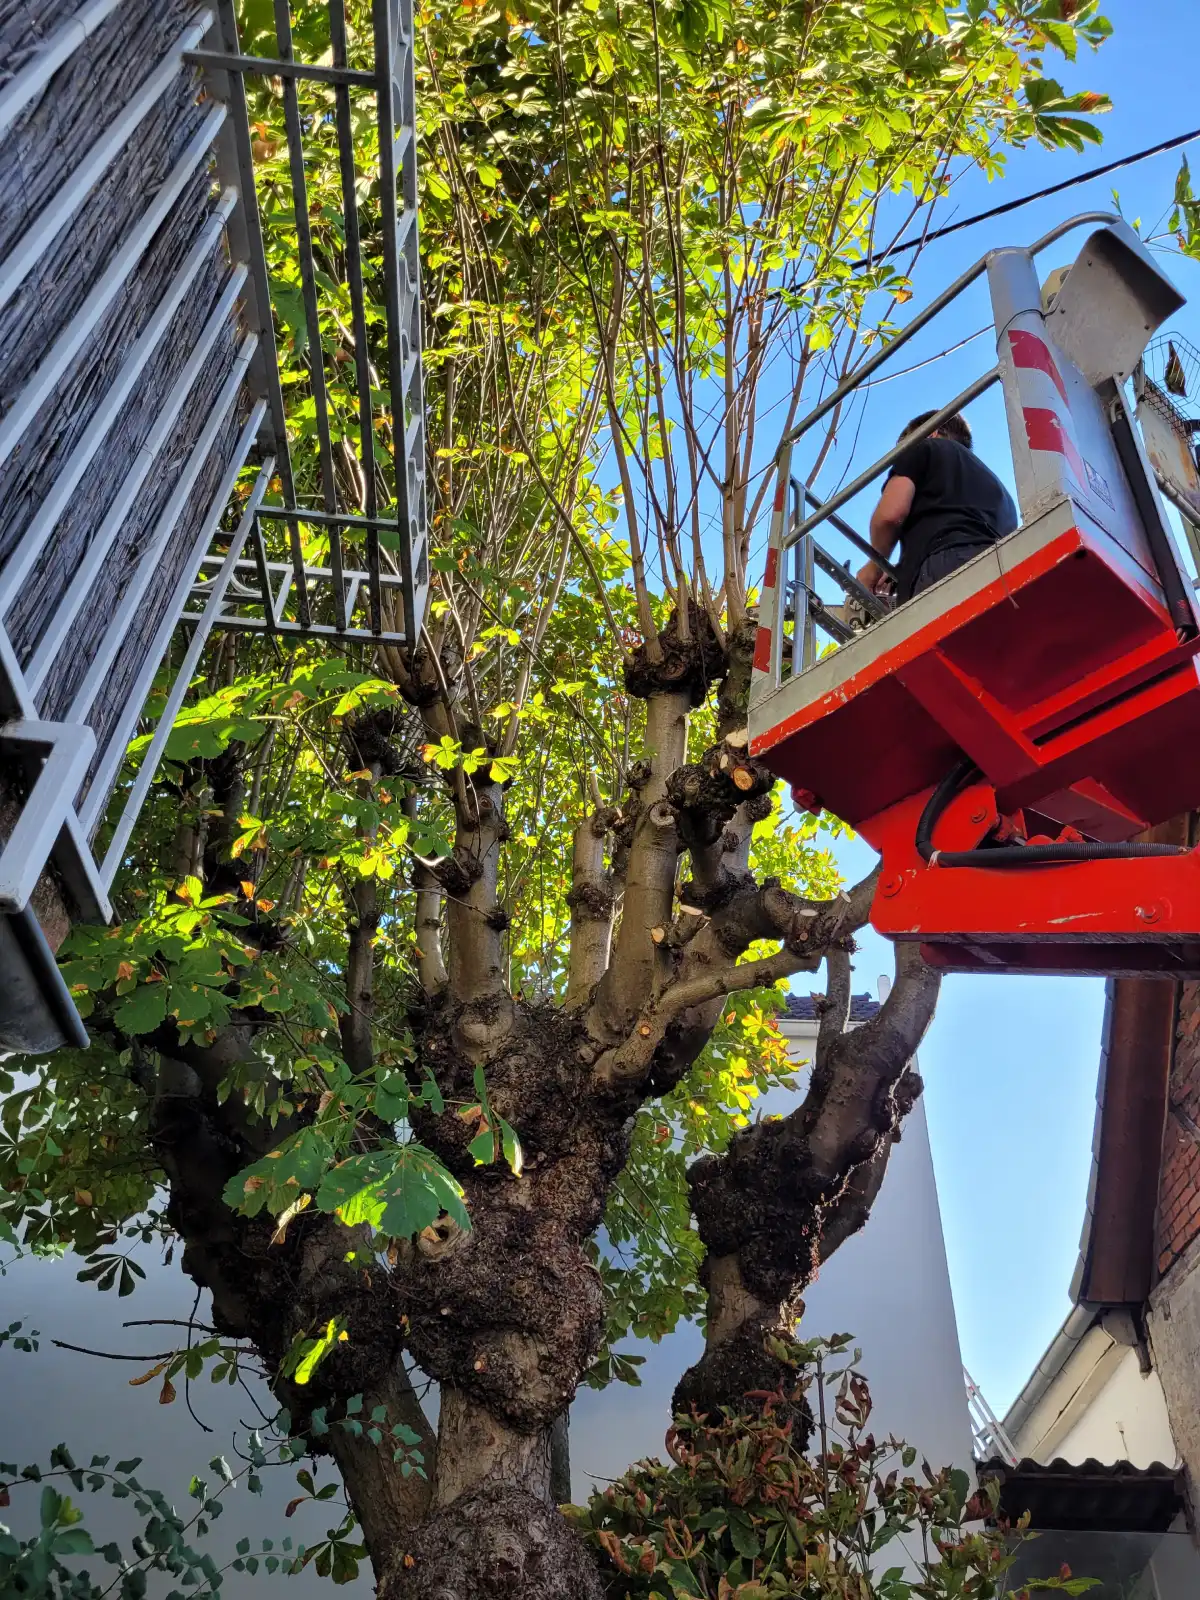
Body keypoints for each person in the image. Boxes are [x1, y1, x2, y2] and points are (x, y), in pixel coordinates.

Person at [855, 410, 1018, 603]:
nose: (901, 454)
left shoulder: (923, 447)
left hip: (946, 568)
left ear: (931, 432)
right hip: (1006, 573)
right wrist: (902, 574)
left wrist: (874, 567)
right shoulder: (1000, 491)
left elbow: (890, 515)